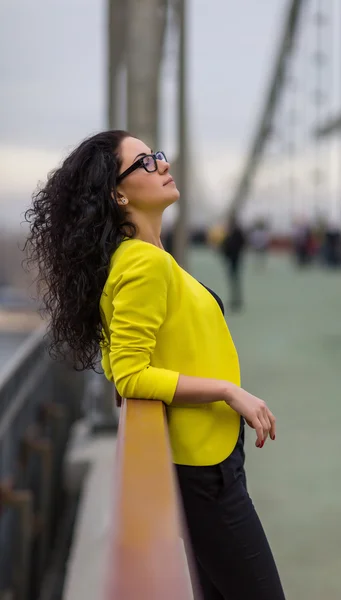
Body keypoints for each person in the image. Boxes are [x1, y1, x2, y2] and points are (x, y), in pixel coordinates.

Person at [24, 130, 285, 600]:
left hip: (209, 457)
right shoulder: (144, 264)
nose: (163, 164)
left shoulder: (141, 258)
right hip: (203, 470)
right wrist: (229, 391)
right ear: (118, 194)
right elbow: (129, 374)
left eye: (157, 156)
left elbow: (115, 354)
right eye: (145, 162)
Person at [220, 215, 246, 311]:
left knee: (235, 280)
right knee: (233, 280)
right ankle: (235, 299)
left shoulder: (236, 232)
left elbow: (240, 244)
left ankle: (237, 300)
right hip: (231, 259)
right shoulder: (229, 233)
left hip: (236, 259)